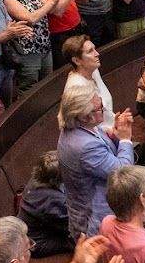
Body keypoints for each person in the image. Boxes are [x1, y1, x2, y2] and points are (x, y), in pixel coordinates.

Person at [57, 82, 135, 238]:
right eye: (99, 109)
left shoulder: (80, 127)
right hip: (95, 222)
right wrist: (125, 139)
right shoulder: (85, 146)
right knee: (104, 262)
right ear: (85, 116)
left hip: (90, 211)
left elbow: (100, 137)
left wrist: (114, 134)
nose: (104, 110)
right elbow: (123, 171)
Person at [18, 151, 73, 259]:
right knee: (77, 239)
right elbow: (70, 225)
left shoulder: (40, 177)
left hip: (31, 229)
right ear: (56, 179)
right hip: (37, 243)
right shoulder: (51, 199)